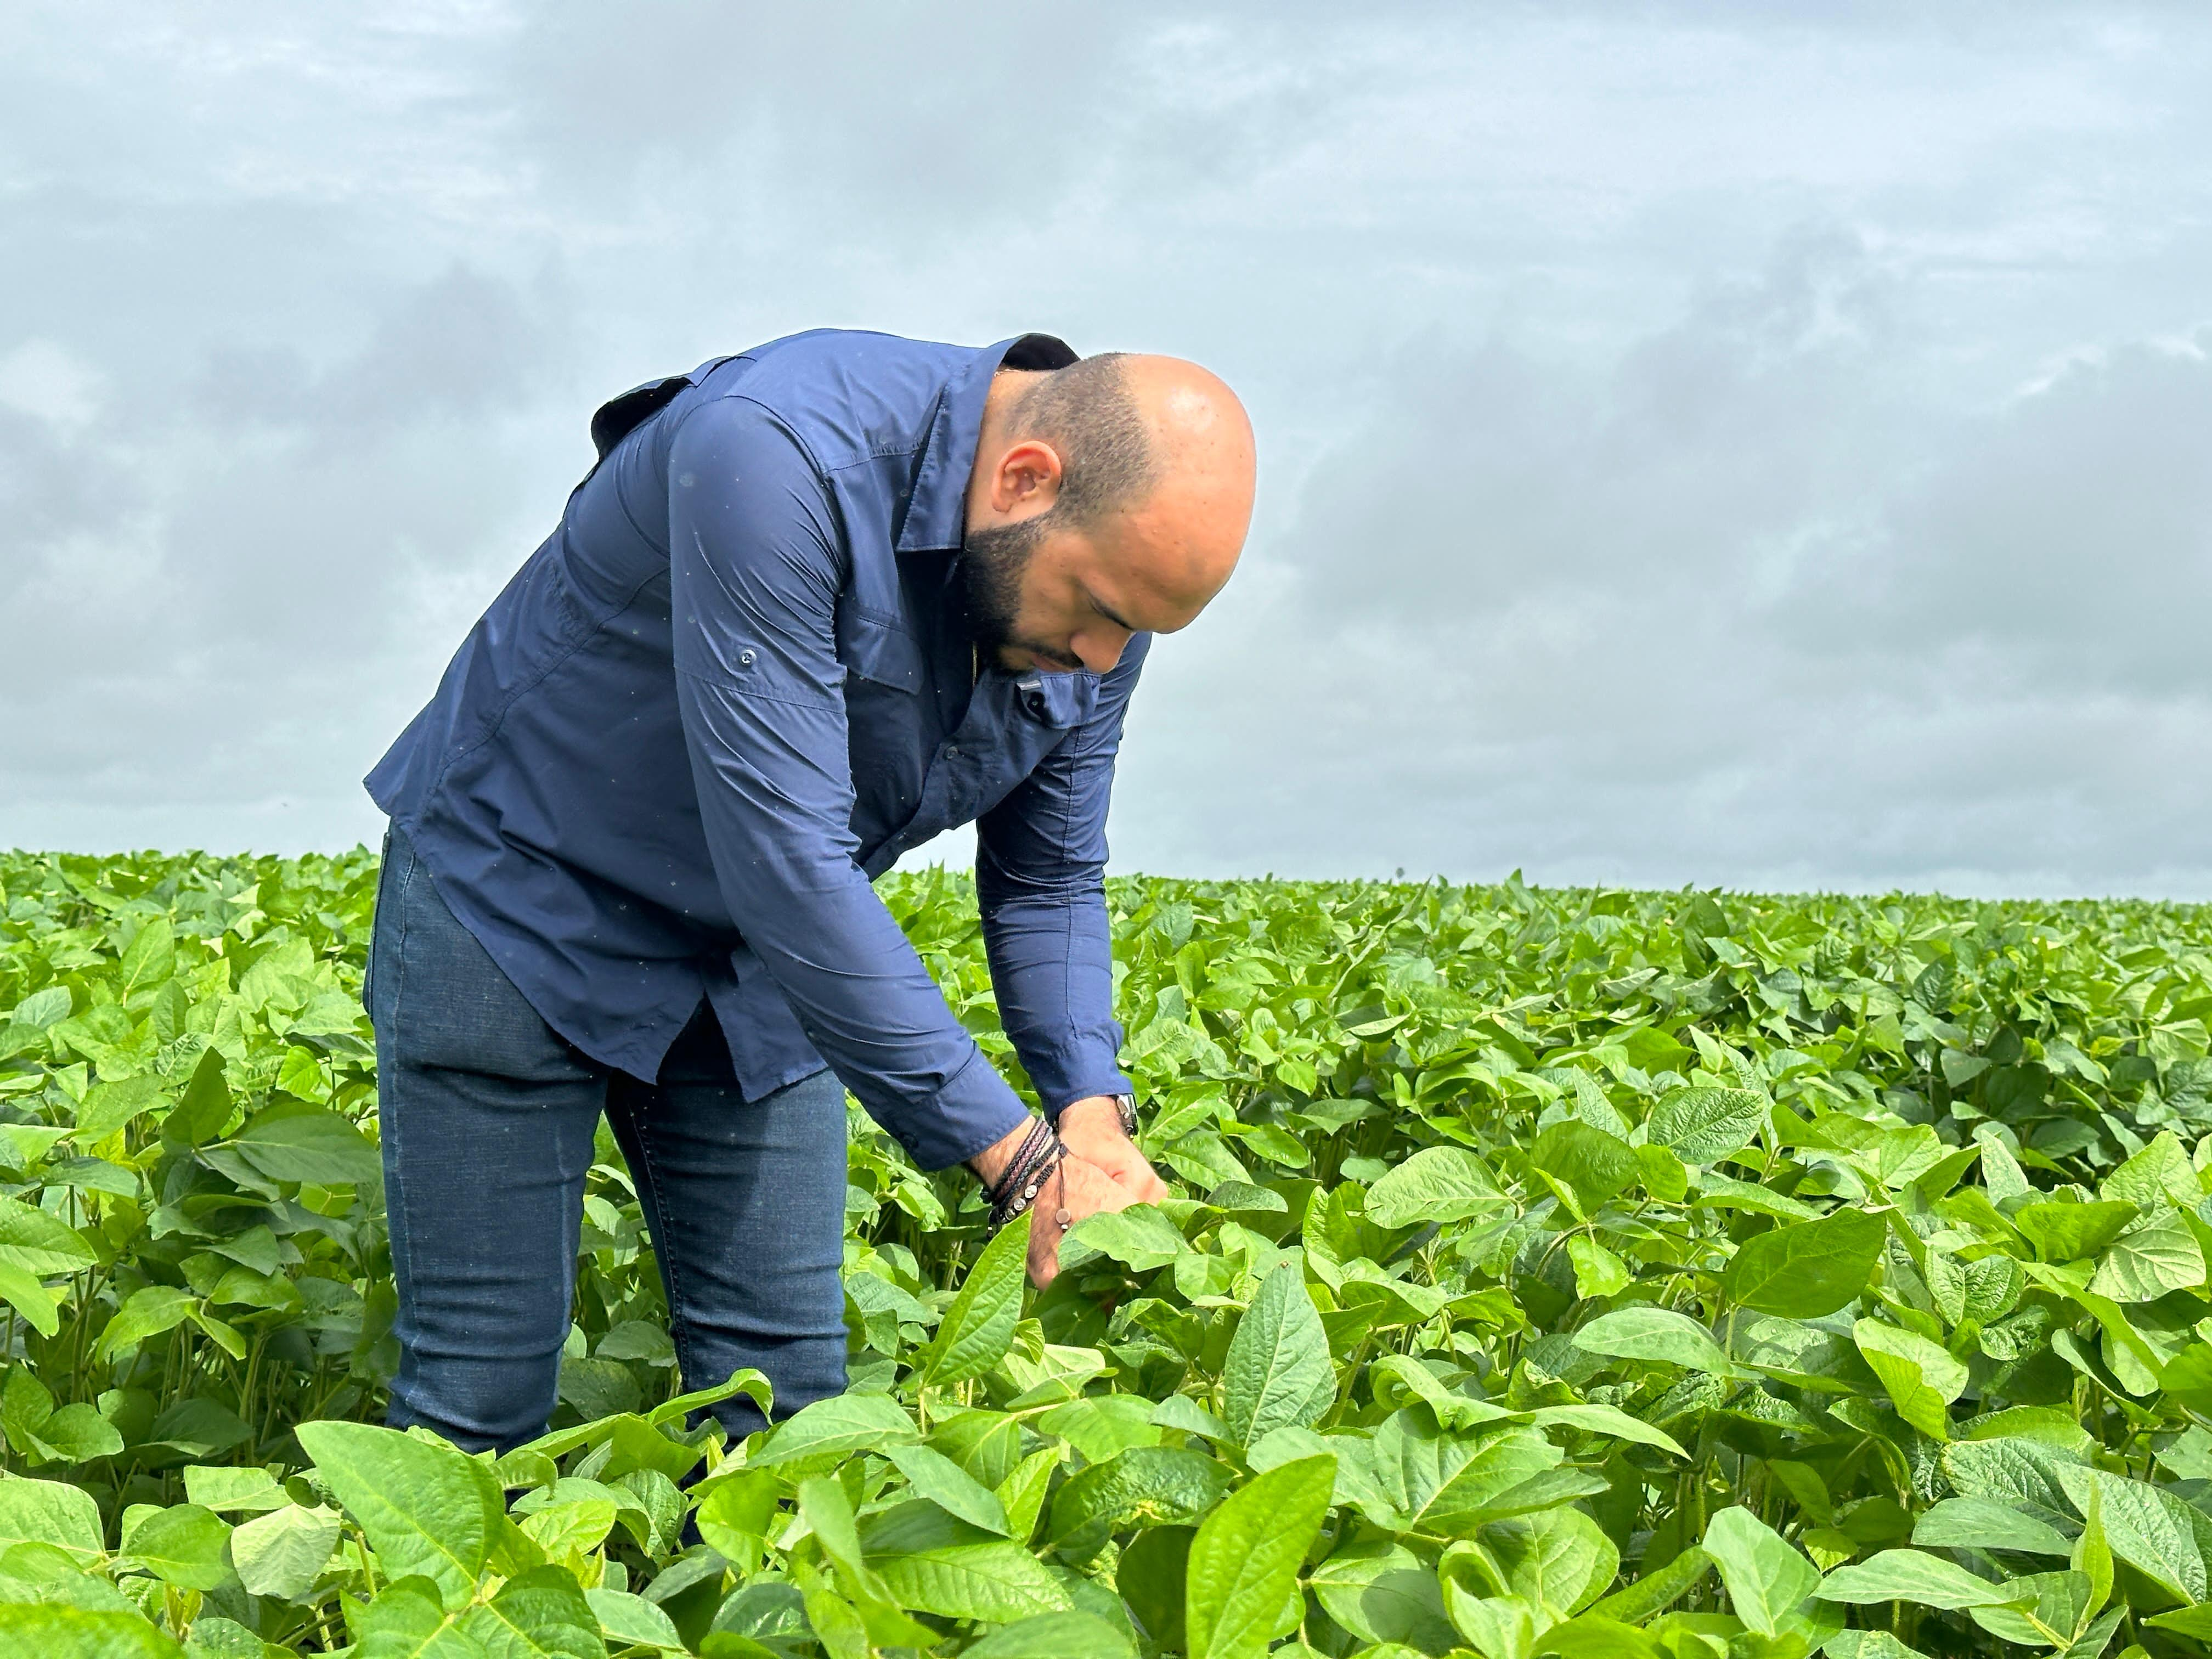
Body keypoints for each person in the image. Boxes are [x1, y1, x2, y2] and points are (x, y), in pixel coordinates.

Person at [359, 329, 1256, 1451]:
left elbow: (1047, 873)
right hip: (522, 907)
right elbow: (786, 858)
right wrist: (1026, 1164)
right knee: (478, 1407)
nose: (1105, 660)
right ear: (1028, 481)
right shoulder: (776, 453)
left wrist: (1090, 1110)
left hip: (748, 970)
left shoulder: (1098, 598)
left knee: (784, 1419)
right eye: (1101, 611)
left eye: (1141, 632)